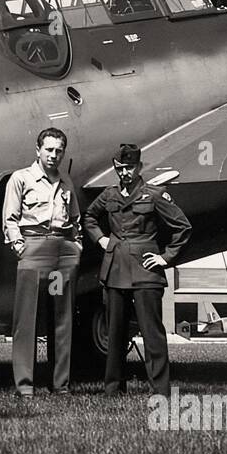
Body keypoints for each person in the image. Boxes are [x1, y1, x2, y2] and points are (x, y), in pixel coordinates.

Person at [84, 143, 191, 394]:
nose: (125, 173)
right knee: (115, 334)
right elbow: (89, 217)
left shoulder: (153, 194)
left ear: (139, 167)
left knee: (152, 333)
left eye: (130, 167)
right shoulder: (109, 195)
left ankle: (161, 390)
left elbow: (182, 227)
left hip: (145, 271)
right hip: (115, 269)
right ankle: (113, 389)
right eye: (120, 168)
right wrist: (101, 239)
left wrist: (166, 258)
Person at [2, 128, 82, 397]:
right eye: (48, 149)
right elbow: (10, 218)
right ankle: (25, 386)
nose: (53, 155)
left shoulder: (66, 182)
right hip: (34, 251)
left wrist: (76, 246)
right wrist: (19, 246)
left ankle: (60, 385)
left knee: (61, 318)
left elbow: (75, 220)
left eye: (58, 150)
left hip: (61, 255)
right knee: (27, 320)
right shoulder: (21, 179)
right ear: (38, 150)